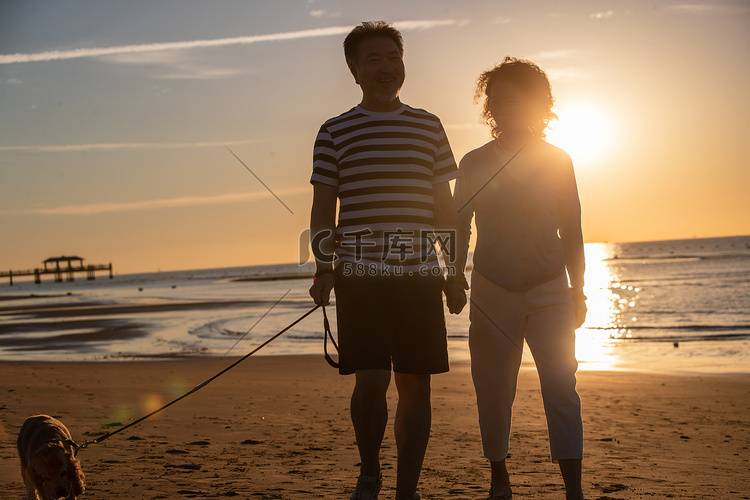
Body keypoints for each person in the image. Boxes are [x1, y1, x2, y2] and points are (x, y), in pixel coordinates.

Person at [308, 21, 465, 500]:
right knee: (371, 381)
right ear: (354, 70)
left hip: (420, 276)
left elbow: (446, 208)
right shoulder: (334, 130)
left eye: (393, 57)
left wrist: (454, 273)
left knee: (417, 386)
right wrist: (324, 269)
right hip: (360, 276)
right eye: (372, 59)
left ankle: (407, 489)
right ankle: (370, 472)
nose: (385, 67)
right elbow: (323, 209)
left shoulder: (429, 125)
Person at [452, 57, 587, 500]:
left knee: (561, 387)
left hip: (550, 288)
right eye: (497, 97)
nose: (505, 104)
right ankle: (499, 479)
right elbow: (458, 224)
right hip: (493, 290)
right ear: (490, 106)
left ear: (538, 103)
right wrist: (453, 275)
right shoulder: (473, 162)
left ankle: (573, 490)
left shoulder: (558, 159)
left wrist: (579, 290)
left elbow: (573, 227)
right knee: (493, 391)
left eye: (516, 96)